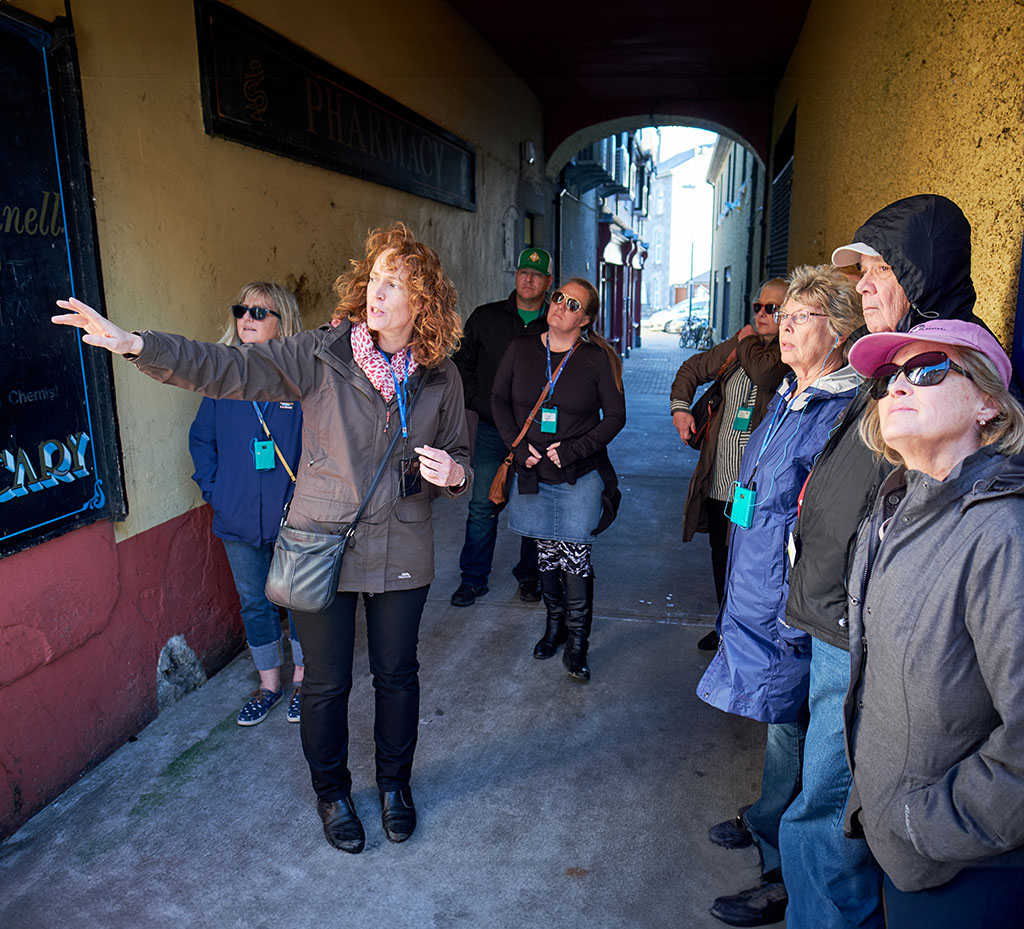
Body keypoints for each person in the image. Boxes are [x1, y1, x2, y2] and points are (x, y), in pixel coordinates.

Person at [51, 222, 471, 855]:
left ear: (424, 301)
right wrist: (136, 344)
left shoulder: (440, 376)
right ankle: (332, 794)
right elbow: (229, 367)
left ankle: (394, 787)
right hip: (322, 544)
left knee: (397, 675)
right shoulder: (321, 353)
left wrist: (456, 474)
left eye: (396, 283)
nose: (379, 292)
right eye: (375, 279)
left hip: (403, 545)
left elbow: (462, 454)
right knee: (326, 682)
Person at [779, 195, 988, 929]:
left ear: (920, 273)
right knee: (823, 799)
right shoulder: (893, 360)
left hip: (865, 631)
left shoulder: (947, 374)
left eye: (879, 270)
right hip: (838, 615)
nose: (862, 285)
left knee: (830, 807)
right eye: (859, 271)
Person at [842, 320, 1024, 928]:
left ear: (988, 404)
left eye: (928, 370)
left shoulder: (1003, 535)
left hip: (966, 869)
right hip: (899, 845)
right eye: (890, 378)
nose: (897, 386)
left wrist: (922, 823)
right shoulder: (898, 500)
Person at [696, 265, 863, 927]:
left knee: (805, 734)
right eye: (783, 316)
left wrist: (788, 600)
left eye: (800, 318)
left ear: (840, 331)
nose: (784, 328)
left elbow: (820, 525)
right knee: (781, 722)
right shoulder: (793, 393)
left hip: (798, 601)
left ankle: (783, 878)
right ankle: (770, 822)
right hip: (760, 587)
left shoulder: (839, 412)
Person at [491, 277, 626, 682]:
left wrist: (573, 450)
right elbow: (498, 400)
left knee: (576, 556)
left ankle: (578, 644)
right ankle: (555, 626)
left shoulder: (596, 359)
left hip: (578, 476)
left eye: (572, 304)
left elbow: (616, 418)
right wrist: (517, 450)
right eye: (558, 298)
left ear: (585, 319)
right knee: (546, 553)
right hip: (532, 473)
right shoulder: (521, 349)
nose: (560, 306)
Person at [187, 282, 306, 726]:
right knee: (255, 602)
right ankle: (269, 684)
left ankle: (304, 681)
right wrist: (217, 494)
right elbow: (202, 440)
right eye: (242, 310)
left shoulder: (300, 380)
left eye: (260, 312)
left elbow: (321, 446)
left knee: (300, 601)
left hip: (294, 517)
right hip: (236, 517)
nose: (247, 319)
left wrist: (308, 502)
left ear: (282, 322)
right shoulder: (221, 379)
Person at [670, 278, 789, 649]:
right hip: (721, 481)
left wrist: (747, 341)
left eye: (772, 308)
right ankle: (725, 626)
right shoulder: (739, 344)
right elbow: (692, 368)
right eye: (758, 306)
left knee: (754, 563)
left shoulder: (790, 350)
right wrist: (680, 409)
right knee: (722, 557)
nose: (762, 313)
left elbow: (766, 372)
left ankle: (749, 635)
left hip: (757, 487)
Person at [450, 247, 552, 607]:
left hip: (535, 435)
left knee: (533, 507)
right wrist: (480, 403)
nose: (528, 279)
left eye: (536, 275)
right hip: (493, 430)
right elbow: (461, 364)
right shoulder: (485, 317)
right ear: (516, 276)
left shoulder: (555, 323)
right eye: (523, 272)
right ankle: (473, 579)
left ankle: (530, 576)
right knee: (482, 507)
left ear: (548, 282)